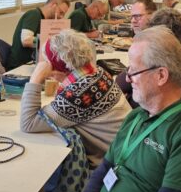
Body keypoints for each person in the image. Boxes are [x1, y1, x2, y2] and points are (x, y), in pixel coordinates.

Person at [39, 26, 181, 192]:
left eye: (133, 70)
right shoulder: (136, 117)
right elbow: (100, 176)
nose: (128, 77)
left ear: (161, 75)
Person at [20, 29, 131, 167]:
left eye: (47, 61)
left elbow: (28, 124)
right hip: (127, 152)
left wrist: (35, 79)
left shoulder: (78, 93)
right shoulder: (97, 73)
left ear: (57, 65)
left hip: (114, 165)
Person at [8, 0, 71, 70]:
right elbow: (26, 40)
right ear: (53, 5)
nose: (61, 17)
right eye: (61, 12)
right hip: (20, 66)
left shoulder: (46, 21)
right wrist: (47, 41)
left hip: (33, 64)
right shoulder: (34, 15)